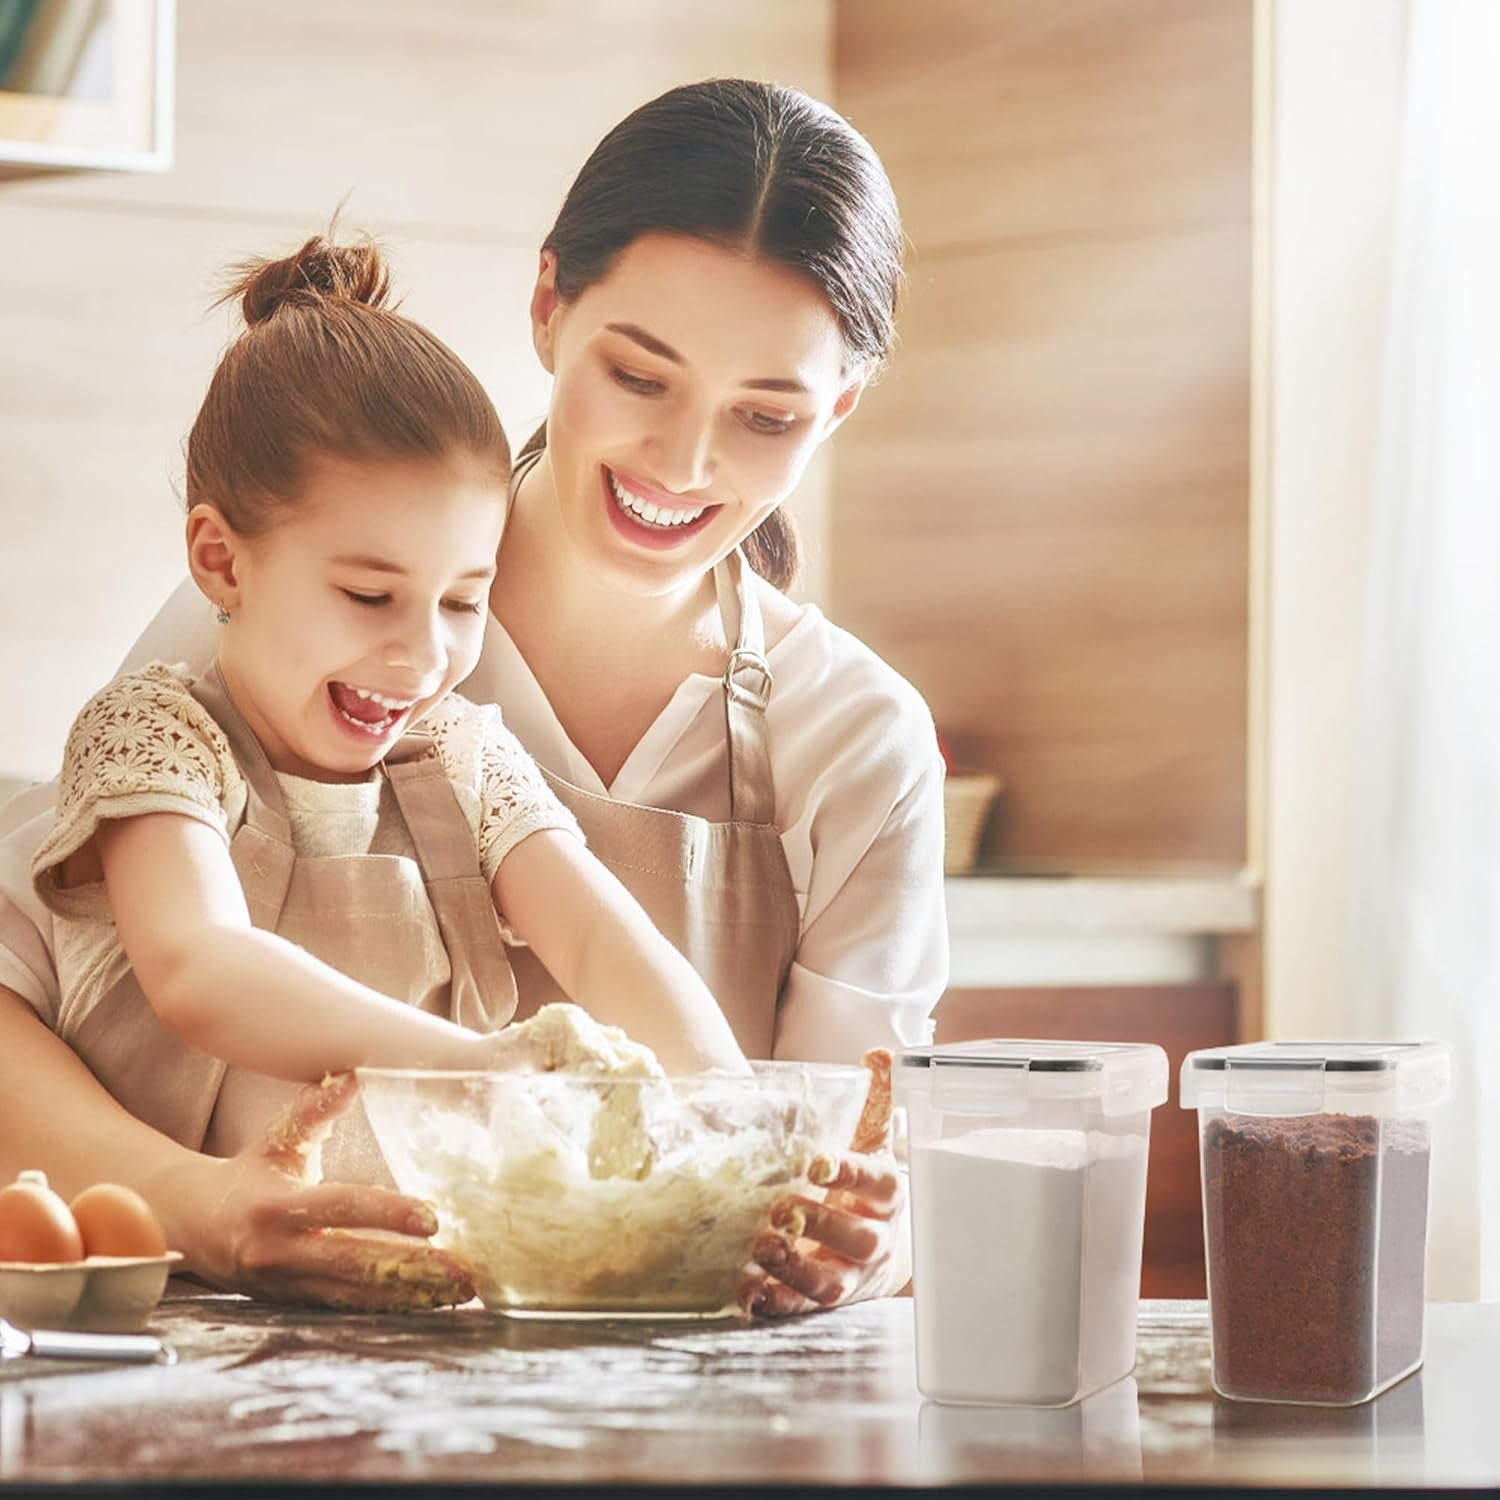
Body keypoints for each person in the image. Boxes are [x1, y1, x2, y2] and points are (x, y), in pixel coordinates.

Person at [0, 79, 947, 1319]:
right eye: (641, 375)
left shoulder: (856, 745)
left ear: (840, 408)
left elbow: (839, 1149)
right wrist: (200, 1206)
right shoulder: (284, 614)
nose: (684, 464)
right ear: (550, 305)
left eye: (765, 415)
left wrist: (865, 1240)